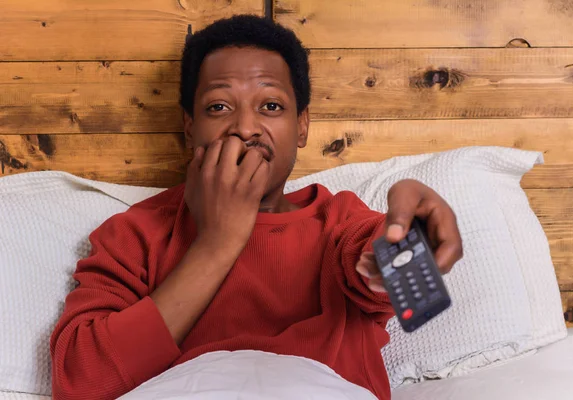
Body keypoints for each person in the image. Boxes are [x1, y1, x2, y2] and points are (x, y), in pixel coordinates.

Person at [50, 15, 463, 400]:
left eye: (270, 106)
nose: (245, 128)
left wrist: (413, 234)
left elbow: (393, 274)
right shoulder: (134, 233)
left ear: (302, 126)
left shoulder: (338, 221)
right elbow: (81, 381)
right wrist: (217, 243)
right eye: (219, 107)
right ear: (190, 126)